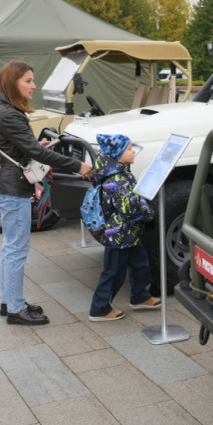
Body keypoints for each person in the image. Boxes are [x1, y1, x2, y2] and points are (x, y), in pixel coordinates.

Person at [0, 61, 91, 326]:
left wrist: (33, 144)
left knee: (11, 248)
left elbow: (18, 146)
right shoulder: (9, 113)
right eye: (28, 81)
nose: (33, 86)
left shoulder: (2, 108)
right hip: (11, 189)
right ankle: (15, 309)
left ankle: (9, 301)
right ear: (13, 83)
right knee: (16, 249)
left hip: (4, 184)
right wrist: (79, 166)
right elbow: (39, 154)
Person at [88, 133, 161, 322]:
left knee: (140, 263)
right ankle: (99, 308)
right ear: (117, 153)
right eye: (129, 148)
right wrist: (148, 215)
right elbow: (130, 207)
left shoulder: (121, 173)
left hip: (128, 232)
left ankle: (140, 296)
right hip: (117, 235)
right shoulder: (117, 179)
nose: (133, 151)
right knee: (113, 272)